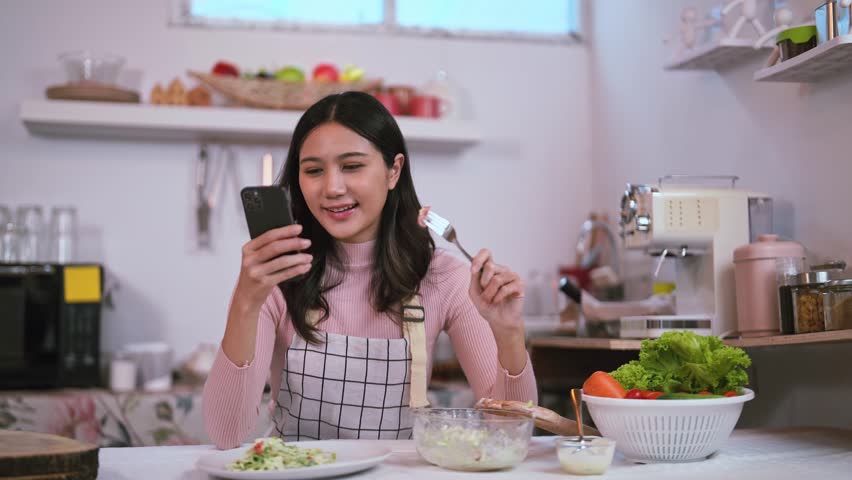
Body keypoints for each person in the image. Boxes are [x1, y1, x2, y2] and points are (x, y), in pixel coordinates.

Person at [203, 91, 537, 448]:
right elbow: (226, 434)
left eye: (352, 166)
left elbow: (507, 435)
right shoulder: (275, 275)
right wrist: (245, 302)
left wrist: (509, 335)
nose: (332, 188)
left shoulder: (444, 277)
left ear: (394, 170)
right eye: (314, 170)